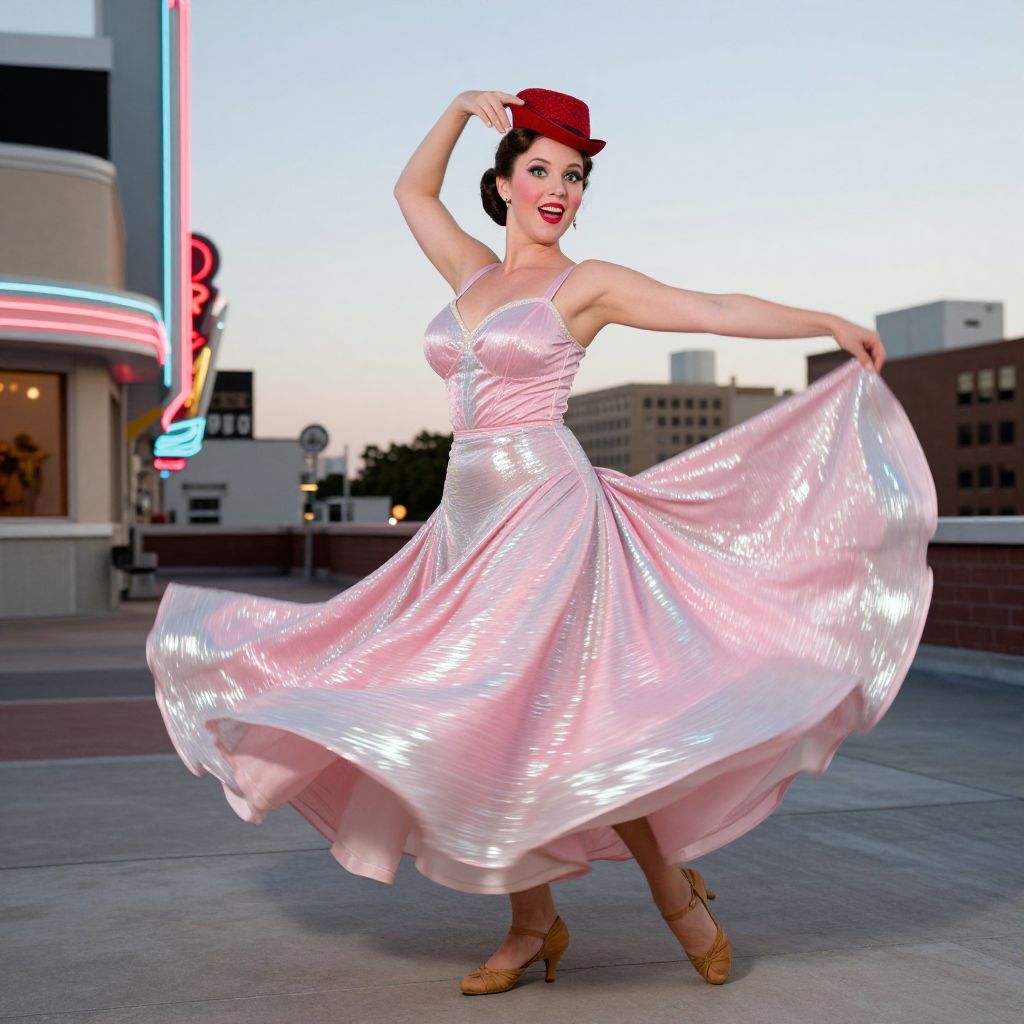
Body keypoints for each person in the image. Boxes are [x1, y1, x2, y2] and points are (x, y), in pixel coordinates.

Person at [147, 88, 937, 998]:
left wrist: (824, 322)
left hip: (551, 512)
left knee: (566, 718)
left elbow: (711, 308)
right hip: (468, 520)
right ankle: (536, 922)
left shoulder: (584, 282)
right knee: (493, 724)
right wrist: (451, 110)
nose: (559, 188)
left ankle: (668, 894)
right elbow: (410, 194)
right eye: (542, 171)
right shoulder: (473, 275)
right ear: (504, 181)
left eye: (575, 175)